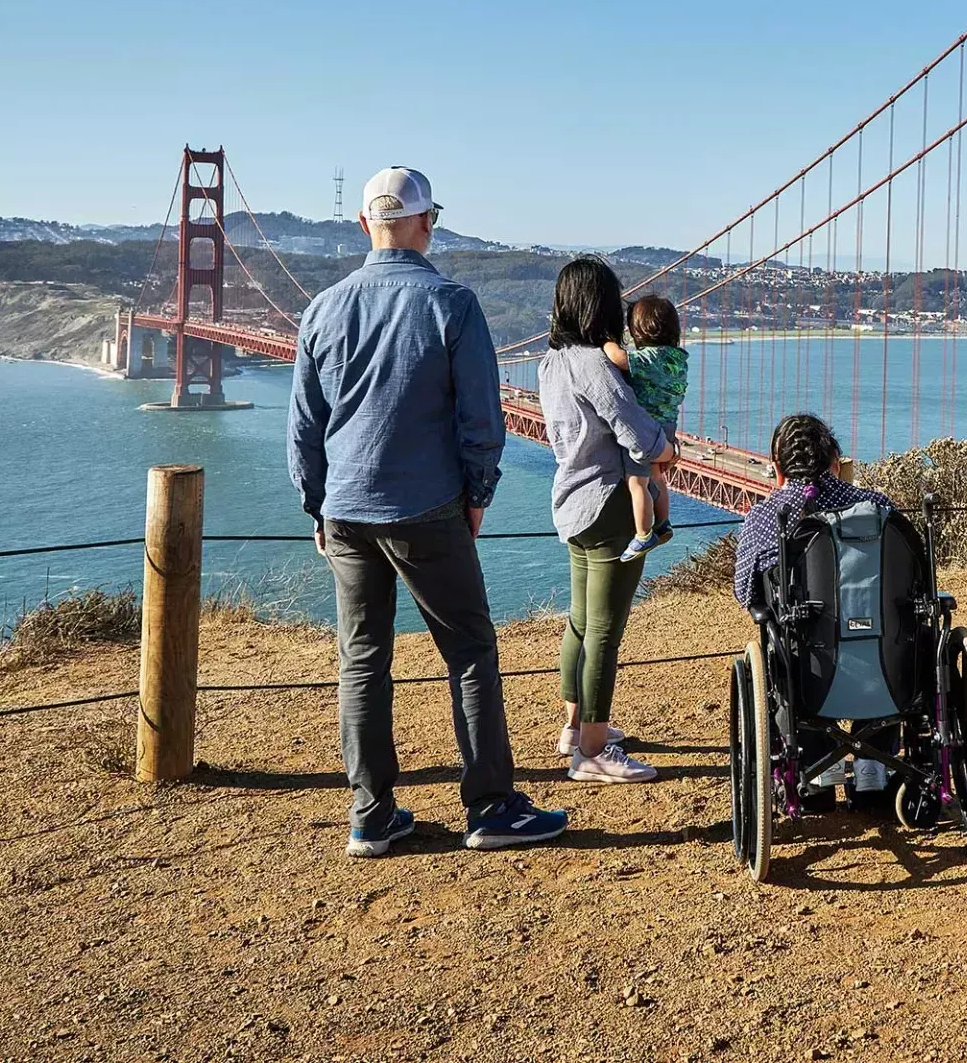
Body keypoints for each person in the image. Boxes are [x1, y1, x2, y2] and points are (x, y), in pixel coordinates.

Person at [287, 166, 566, 856]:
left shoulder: (322, 308)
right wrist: (478, 495)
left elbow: (303, 426)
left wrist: (316, 507)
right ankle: (491, 808)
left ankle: (371, 816)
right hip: (426, 505)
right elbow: (482, 416)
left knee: (362, 659)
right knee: (469, 650)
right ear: (427, 223)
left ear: (363, 225)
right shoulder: (452, 302)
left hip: (347, 509)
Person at [538, 256, 674, 783]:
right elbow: (637, 432)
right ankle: (593, 752)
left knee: (580, 621)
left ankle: (575, 726)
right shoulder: (595, 364)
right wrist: (672, 448)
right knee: (604, 632)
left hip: (573, 504)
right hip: (611, 504)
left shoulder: (550, 362)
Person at [733, 414, 893, 795]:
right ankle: (876, 764)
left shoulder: (764, 517)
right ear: (836, 463)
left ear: (777, 470)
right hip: (885, 666)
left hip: (810, 673)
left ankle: (819, 766)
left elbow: (744, 591)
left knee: (792, 642)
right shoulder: (877, 507)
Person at [606, 295, 689, 562]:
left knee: (637, 483)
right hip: (668, 427)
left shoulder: (647, 359)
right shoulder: (679, 359)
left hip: (646, 428)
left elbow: (617, 357)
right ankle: (663, 522)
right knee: (657, 477)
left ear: (640, 330)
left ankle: (643, 534)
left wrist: (604, 340)